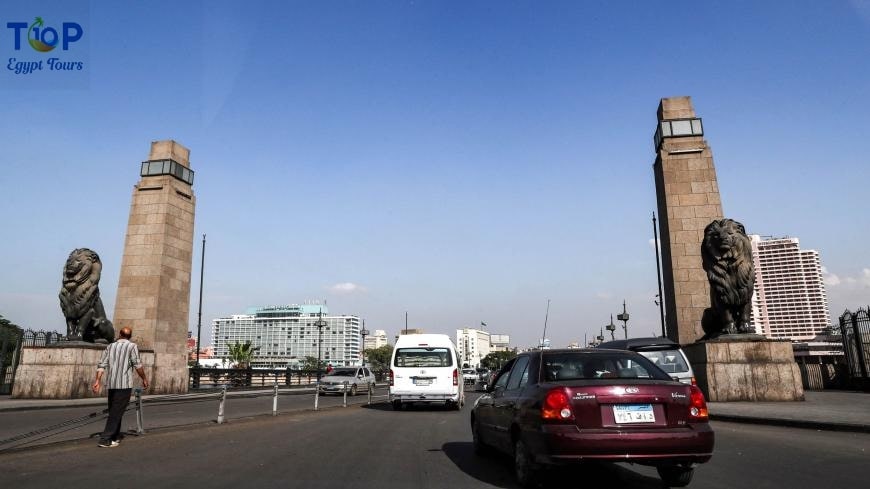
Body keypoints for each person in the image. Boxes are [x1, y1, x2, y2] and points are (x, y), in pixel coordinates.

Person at [91, 326, 149, 448]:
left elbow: (102, 365)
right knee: (117, 411)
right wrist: (144, 378)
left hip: (111, 384)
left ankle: (115, 436)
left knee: (115, 410)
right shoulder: (132, 346)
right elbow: (138, 365)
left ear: (120, 334)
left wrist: (97, 380)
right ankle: (105, 438)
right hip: (124, 385)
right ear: (130, 336)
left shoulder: (110, 346)